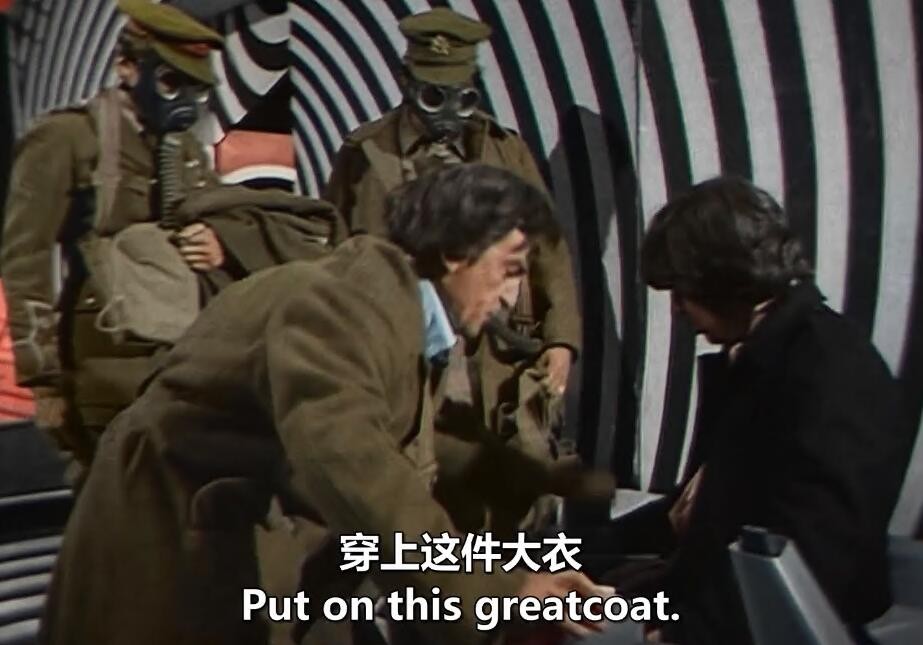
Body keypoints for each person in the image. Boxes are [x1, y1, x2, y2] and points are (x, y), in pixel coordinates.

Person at [39, 164, 608, 645]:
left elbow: (414, 428)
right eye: (509, 270)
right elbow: (353, 460)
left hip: (218, 542)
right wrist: (499, 591)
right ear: (458, 252)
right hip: (166, 555)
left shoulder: (390, 307)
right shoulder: (342, 307)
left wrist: (529, 479)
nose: (510, 296)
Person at [1, 0, 338, 471]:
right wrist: (44, 379)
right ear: (127, 67)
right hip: (109, 350)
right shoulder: (69, 138)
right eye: (170, 82)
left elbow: (220, 208)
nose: (183, 102)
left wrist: (218, 242)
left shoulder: (181, 151)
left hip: (183, 349)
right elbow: (25, 259)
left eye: (195, 89)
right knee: (124, 491)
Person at [605, 176, 916, 644]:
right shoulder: (766, 358)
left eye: (683, 292)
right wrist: (560, 551)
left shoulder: (830, 372)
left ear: (723, 278)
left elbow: (815, 562)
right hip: (714, 603)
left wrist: (679, 634)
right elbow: (690, 514)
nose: (678, 311)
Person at [323, 8, 582, 534]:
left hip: (492, 347)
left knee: (495, 476)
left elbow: (548, 248)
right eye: (432, 95)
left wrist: (561, 339)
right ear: (406, 82)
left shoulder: (504, 151)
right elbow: (332, 248)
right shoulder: (365, 154)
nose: (446, 114)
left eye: (461, 97)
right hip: (402, 341)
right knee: (410, 466)